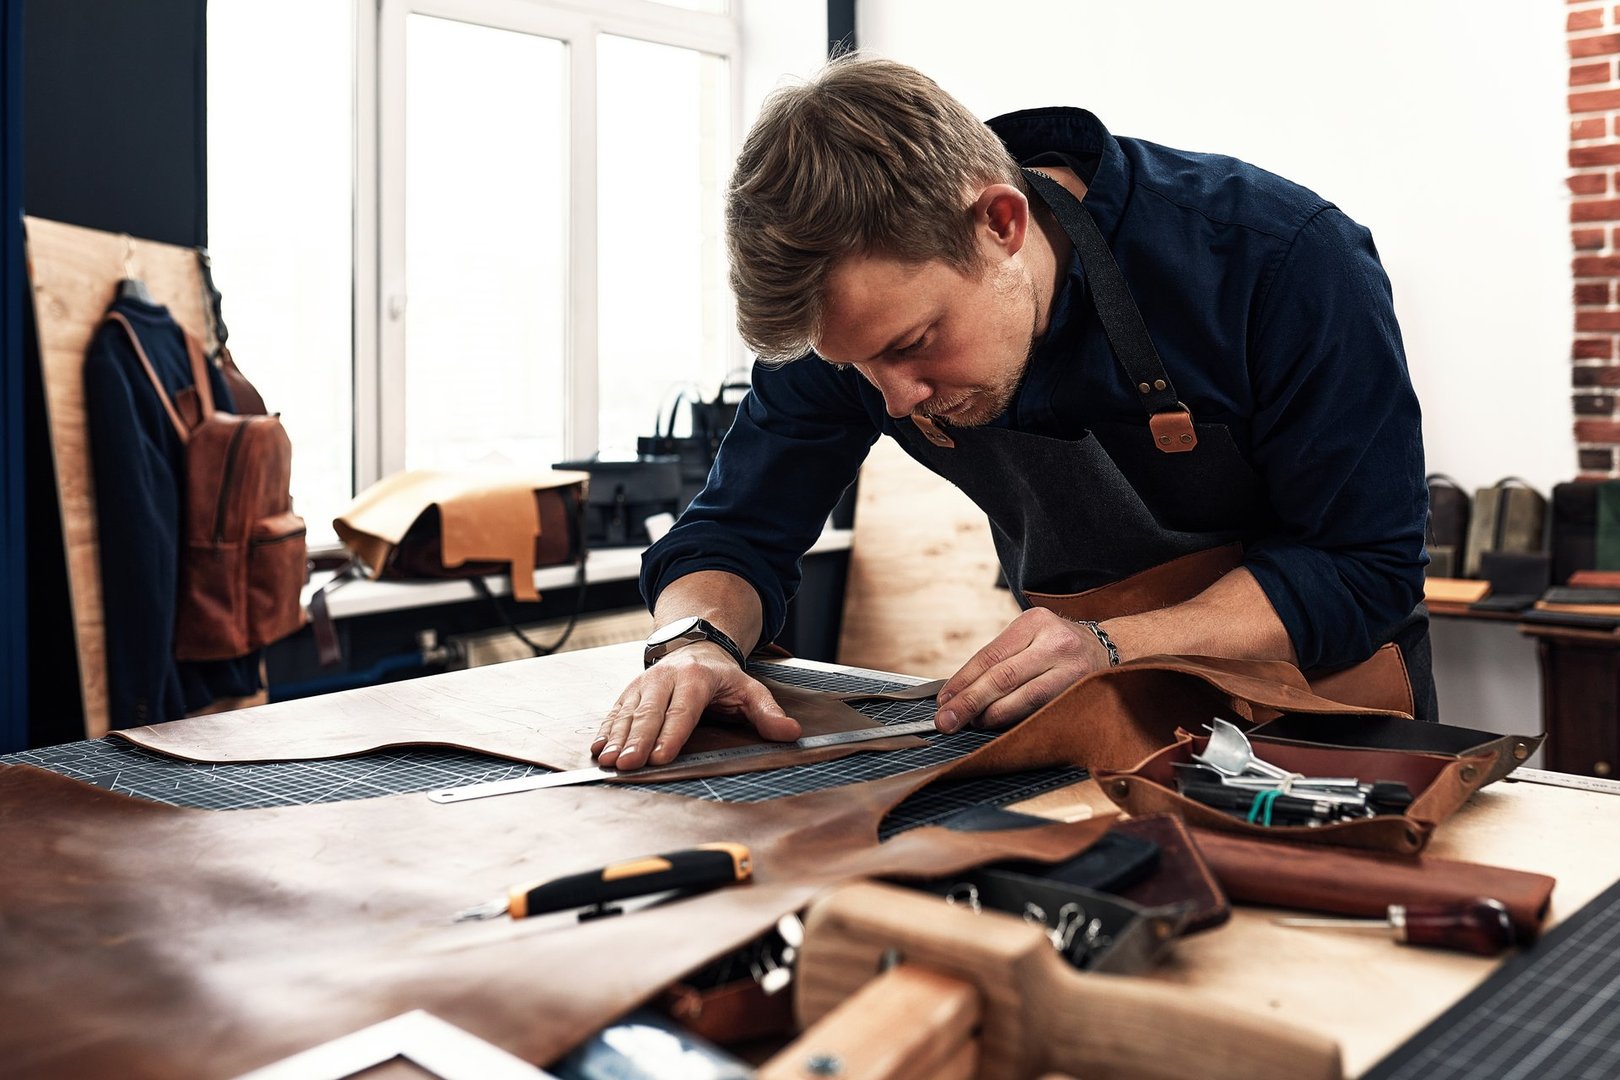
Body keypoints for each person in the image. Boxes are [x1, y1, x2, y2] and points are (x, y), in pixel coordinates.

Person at [592, 55, 1431, 772]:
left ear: (1000, 222)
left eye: (917, 342)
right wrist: (695, 641)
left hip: (1330, 723)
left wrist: (1111, 645)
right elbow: (734, 533)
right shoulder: (852, 326)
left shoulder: (1278, 260)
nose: (893, 397)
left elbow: (1361, 565)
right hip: (1099, 725)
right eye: (858, 367)